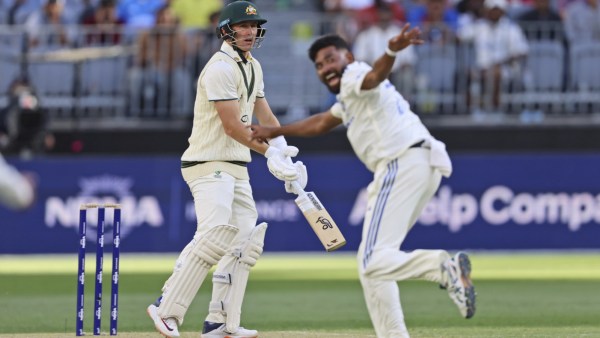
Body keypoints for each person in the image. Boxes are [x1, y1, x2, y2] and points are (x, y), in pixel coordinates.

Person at [250, 27, 476, 338]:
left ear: (349, 57)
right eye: (319, 65)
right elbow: (320, 123)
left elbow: (375, 77)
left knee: (372, 260)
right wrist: (274, 132)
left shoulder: (357, 74)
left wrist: (392, 52)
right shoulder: (348, 96)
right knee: (372, 266)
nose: (326, 68)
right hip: (420, 163)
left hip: (401, 162)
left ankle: (442, 268)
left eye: (330, 59)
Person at [146, 1, 306, 338]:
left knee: (245, 242)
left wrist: (282, 152)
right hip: (208, 162)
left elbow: (266, 116)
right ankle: (166, 309)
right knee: (215, 233)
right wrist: (268, 155)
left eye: (253, 26)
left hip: (237, 166)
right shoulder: (219, 68)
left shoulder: (253, 66)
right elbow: (233, 127)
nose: (249, 32)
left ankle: (220, 321)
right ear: (226, 31)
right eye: (242, 27)